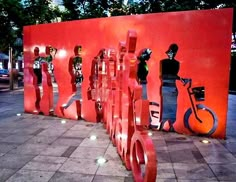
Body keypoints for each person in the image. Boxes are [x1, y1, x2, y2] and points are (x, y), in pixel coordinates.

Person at [159, 43, 180, 131]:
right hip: (170, 86)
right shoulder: (176, 63)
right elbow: (170, 75)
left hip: (167, 86)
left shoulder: (164, 62)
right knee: (171, 106)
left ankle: (165, 125)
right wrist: (176, 77)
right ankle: (168, 125)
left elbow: (162, 75)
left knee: (167, 106)